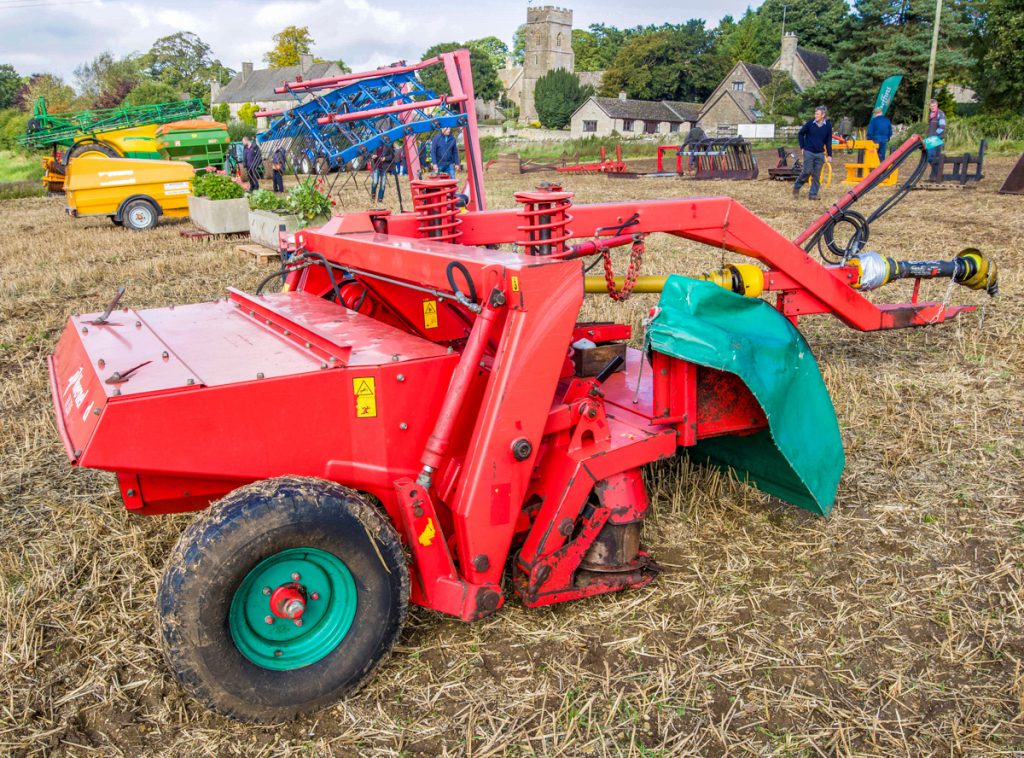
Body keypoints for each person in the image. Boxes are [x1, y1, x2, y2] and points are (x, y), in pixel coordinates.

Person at [793, 105, 833, 200]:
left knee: (816, 174)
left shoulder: (828, 126)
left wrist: (830, 154)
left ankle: (813, 194)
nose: (815, 115)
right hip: (809, 151)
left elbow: (828, 141)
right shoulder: (810, 124)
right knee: (807, 171)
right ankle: (797, 186)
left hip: (820, 153)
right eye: (815, 113)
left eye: (817, 114)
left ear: (823, 115)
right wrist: (802, 147)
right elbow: (800, 134)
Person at [926, 98, 946, 181]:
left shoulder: (940, 114)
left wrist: (934, 134)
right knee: (929, 157)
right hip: (930, 138)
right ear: (929, 107)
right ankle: (936, 174)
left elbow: (942, 127)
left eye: (934, 106)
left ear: (937, 105)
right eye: (931, 106)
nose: (933, 107)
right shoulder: (930, 114)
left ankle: (935, 175)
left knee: (934, 157)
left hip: (936, 138)